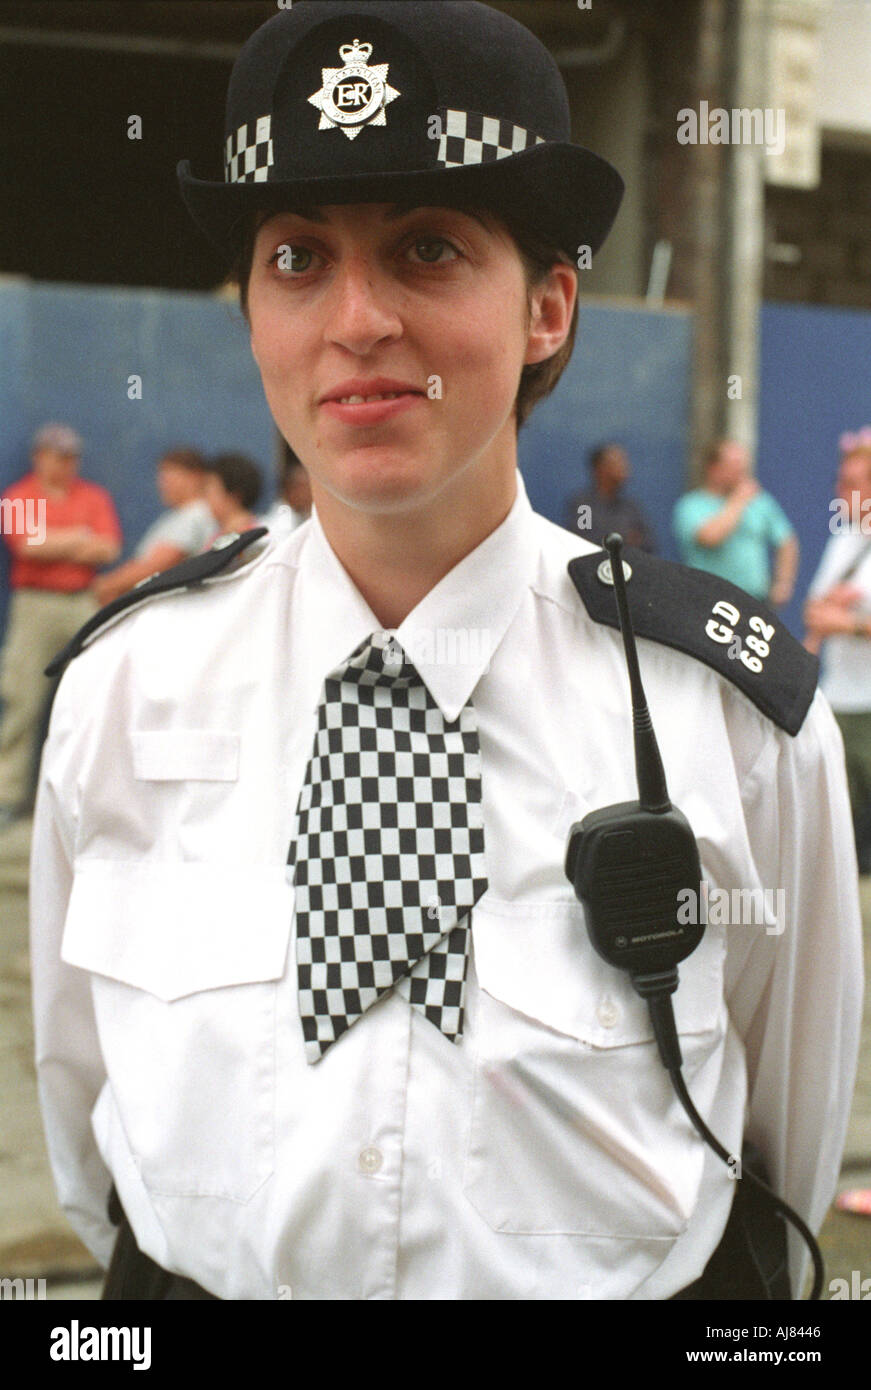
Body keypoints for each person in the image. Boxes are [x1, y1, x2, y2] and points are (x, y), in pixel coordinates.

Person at [30, 1, 862, 1302]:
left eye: (425, 248)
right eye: (297, 257)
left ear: (546, 306)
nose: (355, 319)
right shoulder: (124, 692)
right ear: (248, 311)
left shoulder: (726, 716)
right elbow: (89, 1125)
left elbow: (778, 1149)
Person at [0, 424, 120, 826]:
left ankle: (96, 794)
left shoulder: (92, 495)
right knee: (22, 698)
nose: (66, 463)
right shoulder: (20, 495)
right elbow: (26, 545)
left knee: (101, 692)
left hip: (81, 601)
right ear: (40, 456)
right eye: (57, 455)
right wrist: (78, 538)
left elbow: (108, 547)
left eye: (71, 456)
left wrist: (54, 541)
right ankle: (6, 794)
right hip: (34, 604)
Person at [804, 431, 871, 868]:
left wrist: (846, 622)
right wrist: (832, 612)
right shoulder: (844, 537)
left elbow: (829, 617)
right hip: (838, 700)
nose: (839, 491)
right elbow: (814, 607)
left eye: (851, 482)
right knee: (839, 834)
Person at [673, 439, 798, 605]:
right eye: (733, 465)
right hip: (708, 600)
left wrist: (783, 583)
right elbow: (710, 537)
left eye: (743, 464)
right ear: (713, 468)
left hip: (755, 601)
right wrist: (738, 501)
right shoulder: (691, 505)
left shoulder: (760, 502)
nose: (741, 471)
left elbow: (787, 541)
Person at [91, 447, 214, 605]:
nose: (162, 484)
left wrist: (108, 585)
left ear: (195, 477)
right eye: (161, 478)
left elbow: (157, 565)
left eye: (169, 477)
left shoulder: (196, 515)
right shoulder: (179, 515)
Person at [564, 442, 656, 551]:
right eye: (618, 462)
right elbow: (581, 540)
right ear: (600, 468)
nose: (625, 467)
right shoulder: (583, 505)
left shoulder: (631, 507)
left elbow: (648, 544)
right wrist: (623, 537)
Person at [203, 452, 264, 541]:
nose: (205, 497)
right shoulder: (217, 537)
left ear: (234, 495)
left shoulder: (256, 540)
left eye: (210, 490)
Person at [259, 448, 312, 532]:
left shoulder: (305, 515)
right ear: (290, 489)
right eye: (304, 488)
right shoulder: (282, 518)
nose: (309, 494)